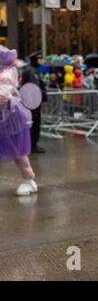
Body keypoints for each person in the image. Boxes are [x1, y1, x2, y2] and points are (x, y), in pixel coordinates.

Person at [0, 45, 38, 195]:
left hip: (10, 118)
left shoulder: (6, 74)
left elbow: (4, 96)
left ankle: (29, 180)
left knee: (18, 151)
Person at [21, 52, 47, 153]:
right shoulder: (30, 71)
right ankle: (32, 145)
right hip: (32, 102)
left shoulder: (33, 70)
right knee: (34, 124)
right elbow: (33, 87)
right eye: (38, 59)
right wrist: (35, 101)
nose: (40, 61)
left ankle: (32, 144)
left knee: (35, 123)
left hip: (34, 101)